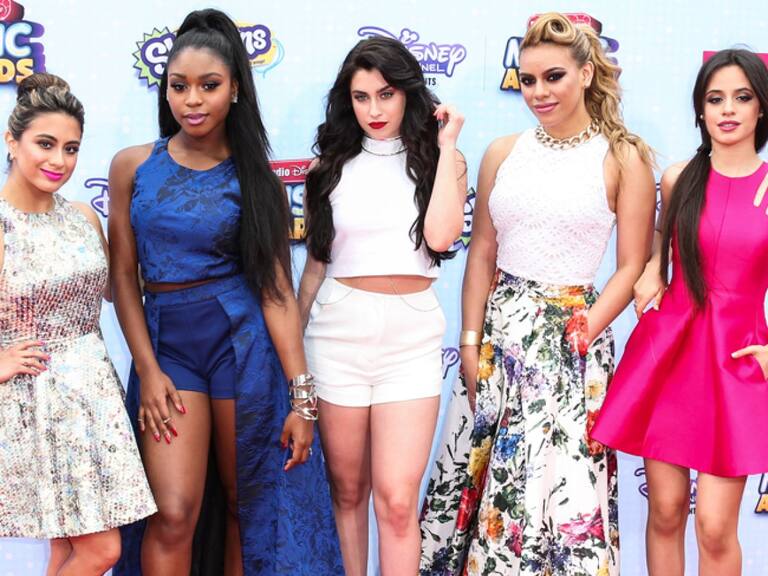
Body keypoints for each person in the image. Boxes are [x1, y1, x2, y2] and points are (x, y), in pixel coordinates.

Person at [419, 12, 656, 576]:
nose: (538, 92)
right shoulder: (503, 152)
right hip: (500, 339)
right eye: (527, 79)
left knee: (565, 495)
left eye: (553, 76)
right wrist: (471, 341)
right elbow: (482, 252)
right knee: (492, 490)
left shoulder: (624, 156)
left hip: (573, 345)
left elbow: (632, 264)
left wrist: (586, 328)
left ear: (586, 73)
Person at [108, 9, 341, 576]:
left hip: (242, 348)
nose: (192, 100)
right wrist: (148, 369)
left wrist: (302, 399)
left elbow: (277, 293)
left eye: (208, 85)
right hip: (169, 349)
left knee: (246, 507)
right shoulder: (133, 167)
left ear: (235, 88)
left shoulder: (257, 179)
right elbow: (123, 278)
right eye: (179, 86)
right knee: (173, 512)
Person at [592, 48, 768, 576]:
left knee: (714, 526)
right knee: (666, 510)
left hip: (735, 361)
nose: (728, 109)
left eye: (742, 97)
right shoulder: (677, 178)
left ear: (762, 107)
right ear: (700, 109)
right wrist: (652, 266)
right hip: (671, 352)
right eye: (715, 99)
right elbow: (662, 241)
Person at [299, 36, 466, 576]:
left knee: (397, 500)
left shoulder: (443, 161)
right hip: (337, 334)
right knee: (347, 491)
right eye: (361, 96)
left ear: (408, 94)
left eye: (386, 94)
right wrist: (292, 354)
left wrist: (446, 144)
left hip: (411, 339)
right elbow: (316, 266)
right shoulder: (327, 168)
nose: (374, 109)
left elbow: (440, 238)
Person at [0, 73, 156, 576]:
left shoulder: (84, 217)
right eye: (45, 144)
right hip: (35, 402)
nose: (59, 161)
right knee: (102, 550)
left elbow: (117, 288)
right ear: (11, 141)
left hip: (92, 398)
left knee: (67, 552)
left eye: (70, 149)